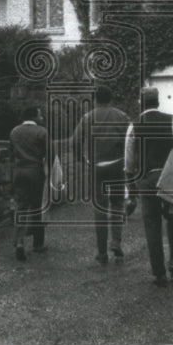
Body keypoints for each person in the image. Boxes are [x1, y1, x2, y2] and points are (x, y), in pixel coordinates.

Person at [124, 87, 173, 286]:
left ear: (142, 103)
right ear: (157, 101)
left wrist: (131, 187)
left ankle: (159, 273)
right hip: (170, 179)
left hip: (147, 180)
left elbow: (129, 161)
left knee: (152, 225)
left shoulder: (134, 126)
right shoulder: (172, 121)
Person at [67, 86, 131, 264]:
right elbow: (131, 141)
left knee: (100, 208)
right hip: (118, 166)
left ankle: (102, 252)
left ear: (95, 100)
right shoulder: (122, 116)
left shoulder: (87, 118)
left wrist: (82, 159)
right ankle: (116, 242)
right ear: (111, 99)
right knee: (118, 204)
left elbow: (75, 141)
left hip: (97, 168)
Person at [9, 105, 48, 261]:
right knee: (38, 207)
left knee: (21, 207)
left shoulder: (14, 132)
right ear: (33, 117)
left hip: (19, 172)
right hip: (36, 172)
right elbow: (49, 154)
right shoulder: (42, 132)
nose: (42, 118)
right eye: (40, 115)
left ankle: (19, 242)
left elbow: (11, 153)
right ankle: (38, 244)